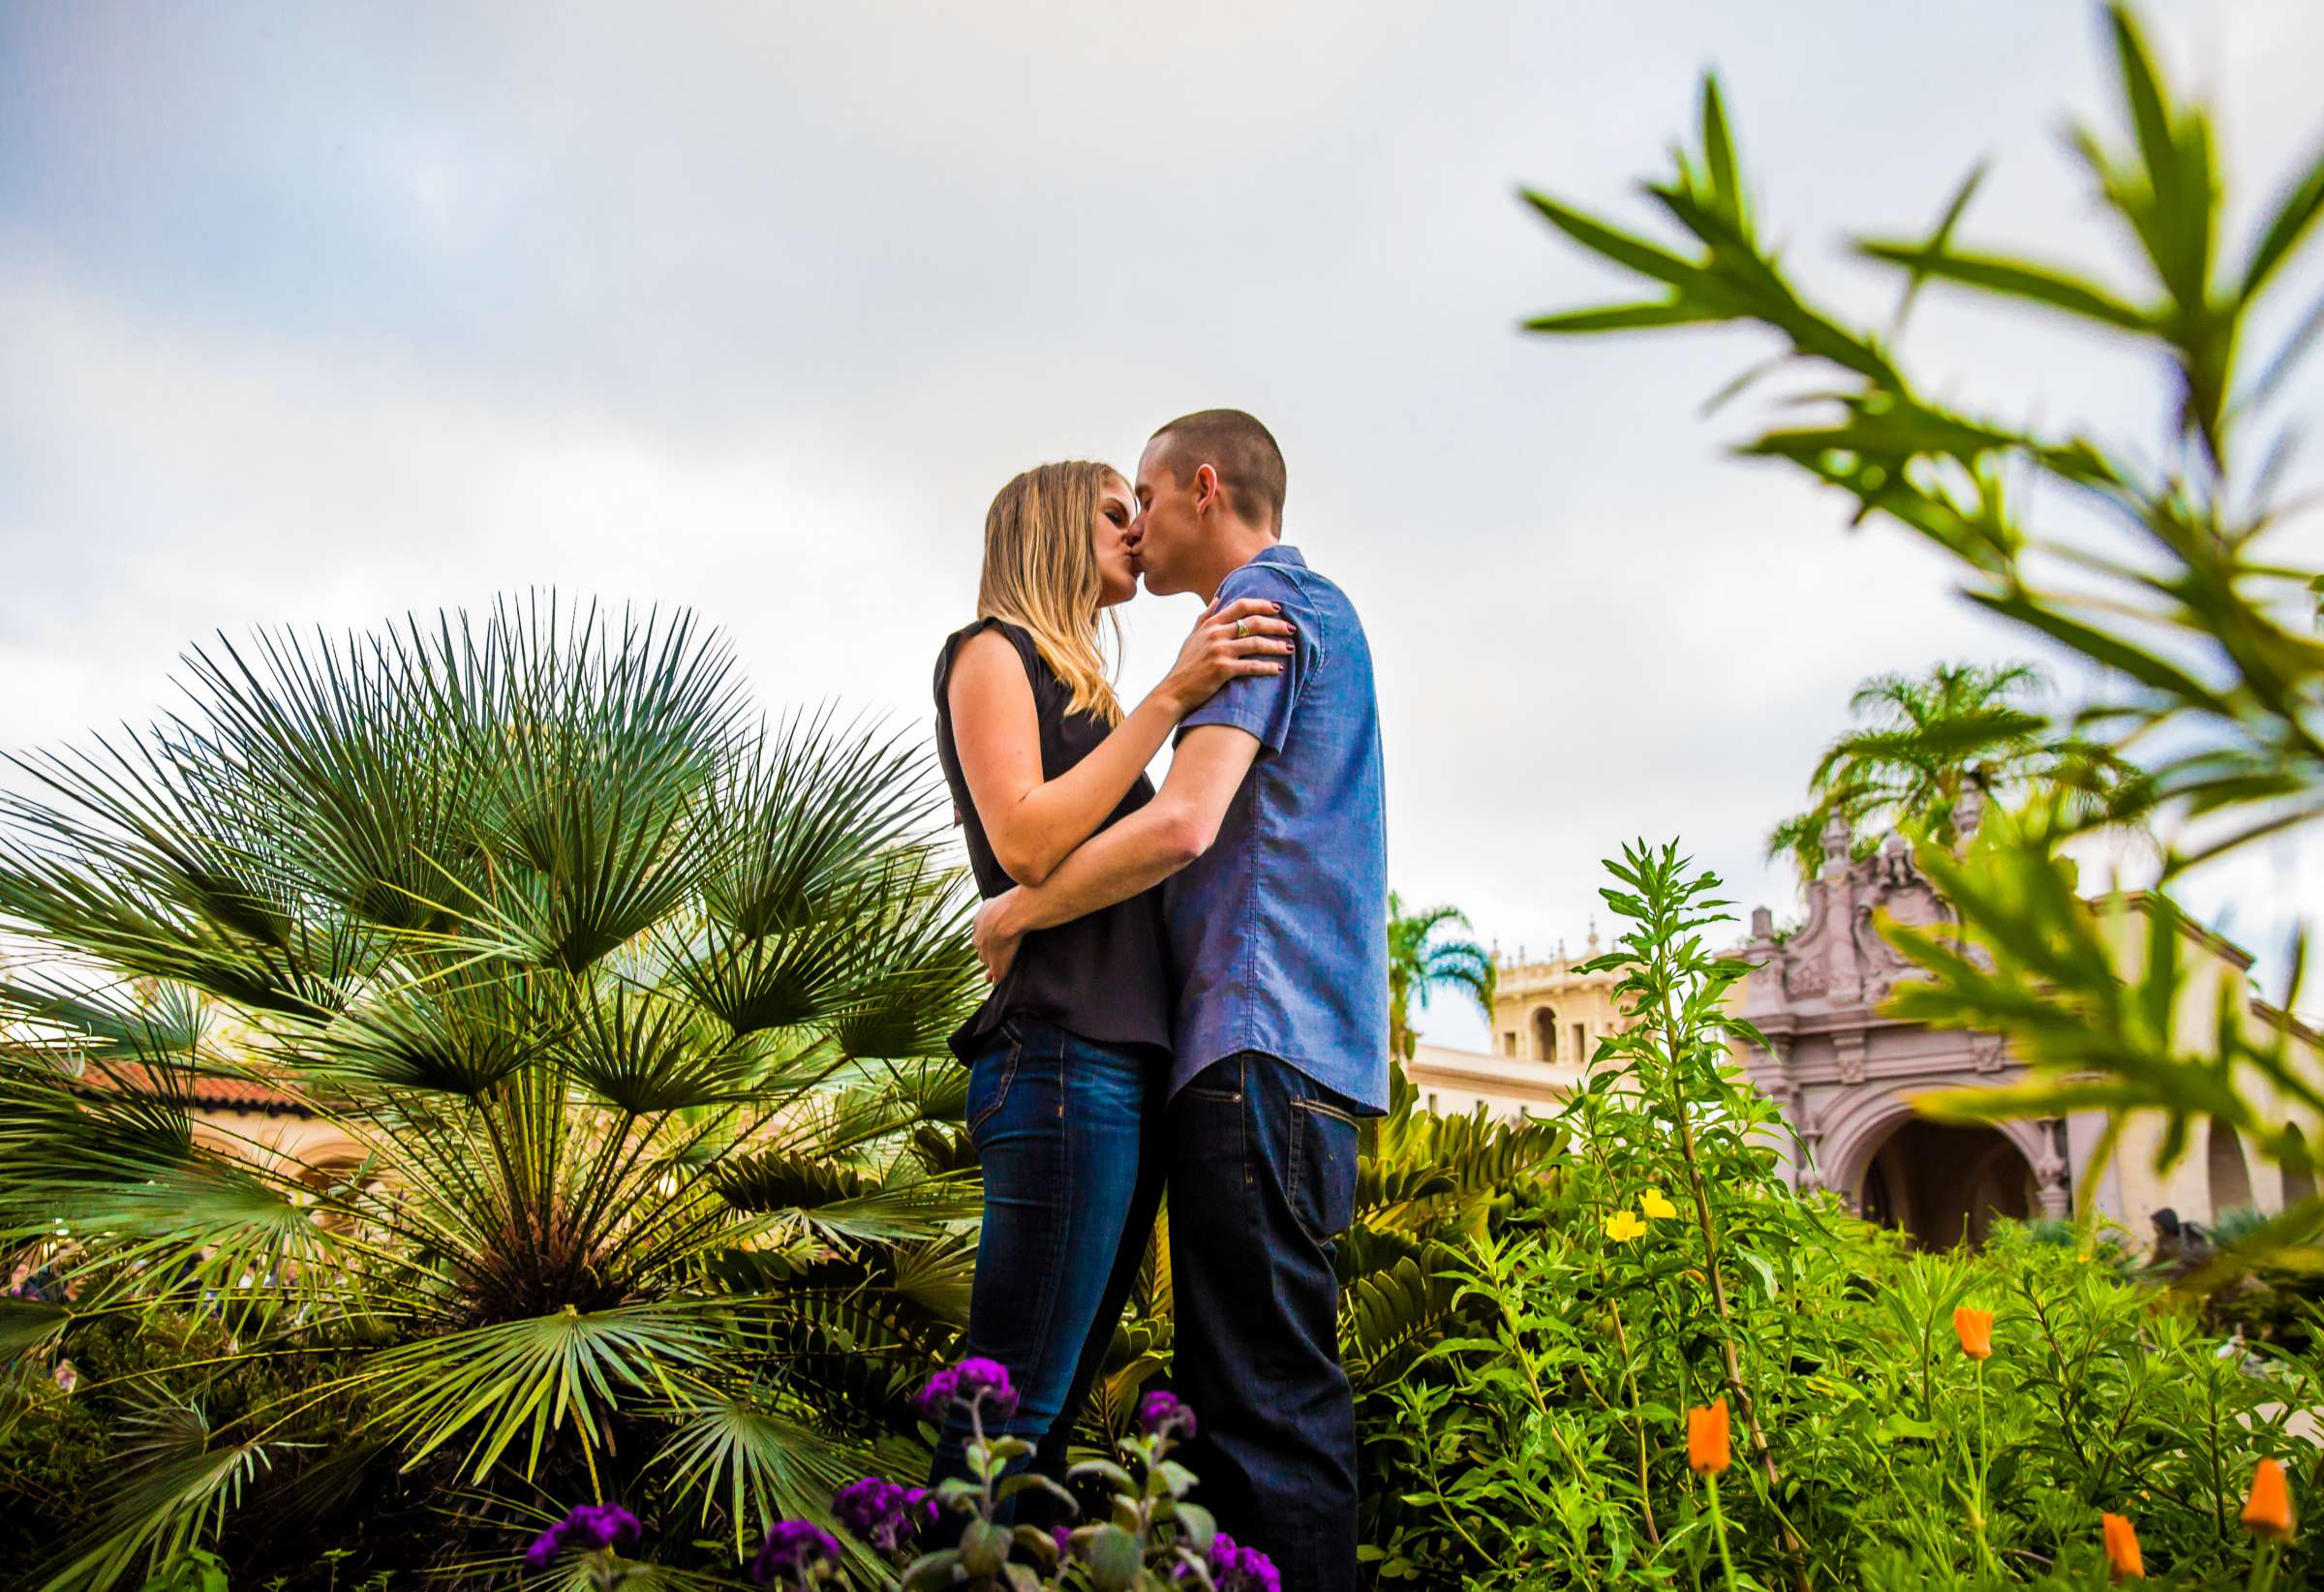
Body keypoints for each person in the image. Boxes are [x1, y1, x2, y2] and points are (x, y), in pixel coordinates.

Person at [973, 410, 1388, 1592]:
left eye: (1144, 498)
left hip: (1259, 1045)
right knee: (1252, 1397)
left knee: (1263, 1410)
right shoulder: (1307, 613)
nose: (1136, 527)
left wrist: (1017, 912)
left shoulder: (1256, 615)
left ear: (1204, 488)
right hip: (1283, 1054)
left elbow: (1184, 823)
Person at [928, 459, 1296, 1517]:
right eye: (1111, 513)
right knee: (1010, 1410)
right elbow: (1030, 840)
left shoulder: (1084, 690)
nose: (1135, 532)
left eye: (1138, 513)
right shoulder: (989, 652)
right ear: (1047, 526)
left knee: (1044, 1414)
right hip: (1055, 1056)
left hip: (1118, 1068)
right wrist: (1175, 695)